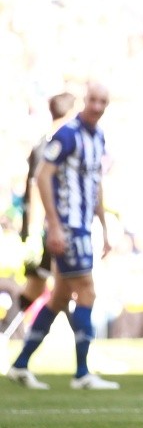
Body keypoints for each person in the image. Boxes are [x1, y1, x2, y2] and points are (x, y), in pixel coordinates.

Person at [6, 82, 119, 390]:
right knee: (87, 291)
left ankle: (19, 365)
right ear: (85, 100)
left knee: (58, 298)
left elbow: (95, 185)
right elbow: (42, 175)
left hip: (83, 226)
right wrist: (54, 225)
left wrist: (105, 228)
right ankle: (82, 373)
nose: (97, 106)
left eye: (103, 101)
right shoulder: (68, 135)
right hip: (67, 227)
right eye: (93, 99)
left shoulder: (98, 138)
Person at [17, 92, 76, 315]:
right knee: (65, 284)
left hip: (46, 228)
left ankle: (7, 334)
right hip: (47, 230)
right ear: (69, 113)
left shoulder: (46, 142)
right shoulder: (52, 145)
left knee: (39, 285)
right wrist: (34, 233)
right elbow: (36, 187)